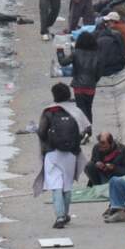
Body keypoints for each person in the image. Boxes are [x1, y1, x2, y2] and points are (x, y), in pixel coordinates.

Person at [33, 83, 91, 229]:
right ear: (68, 94)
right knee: (67, 185)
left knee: (55, 185)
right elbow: (87, 130)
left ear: (54, 95)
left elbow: (41, 132)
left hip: (52, 153)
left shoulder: (49, 111)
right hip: (71, 154)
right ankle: (65, 214)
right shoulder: (75, 111)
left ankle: (59, 217)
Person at [56, 31, 100, 125]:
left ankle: (84, 128)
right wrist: (94, 80)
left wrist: (60, 51)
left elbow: (63, 62)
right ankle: (88, 128)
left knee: (81, 109)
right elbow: (99, 72)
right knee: (88, 108)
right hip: (91, 86)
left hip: (79, 87)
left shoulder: (76, 53)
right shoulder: (97, 54)